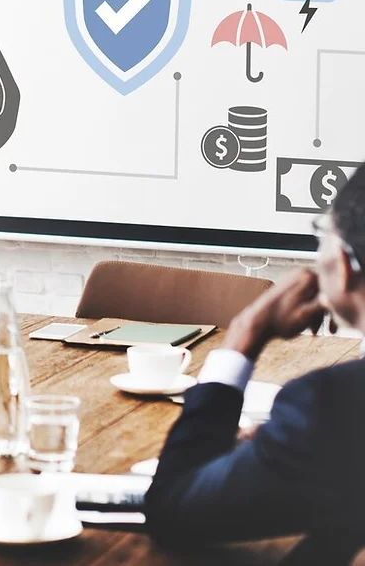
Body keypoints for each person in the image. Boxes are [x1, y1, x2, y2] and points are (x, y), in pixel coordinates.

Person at [146, 162, 365, 565]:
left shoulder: (329, 406)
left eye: (324, 232)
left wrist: (246, 333)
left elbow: (174, 511)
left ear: (347, 265)